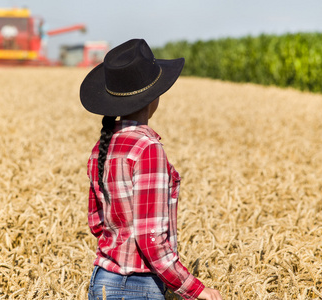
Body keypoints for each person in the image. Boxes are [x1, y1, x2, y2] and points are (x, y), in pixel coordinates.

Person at [80, 39, 223, 300]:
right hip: (137, 288)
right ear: (153, 96)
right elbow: (151, 240)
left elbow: (96, 223)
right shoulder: (148, 149)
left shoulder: (101, 147)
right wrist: (197, 290)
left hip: (101, 281)